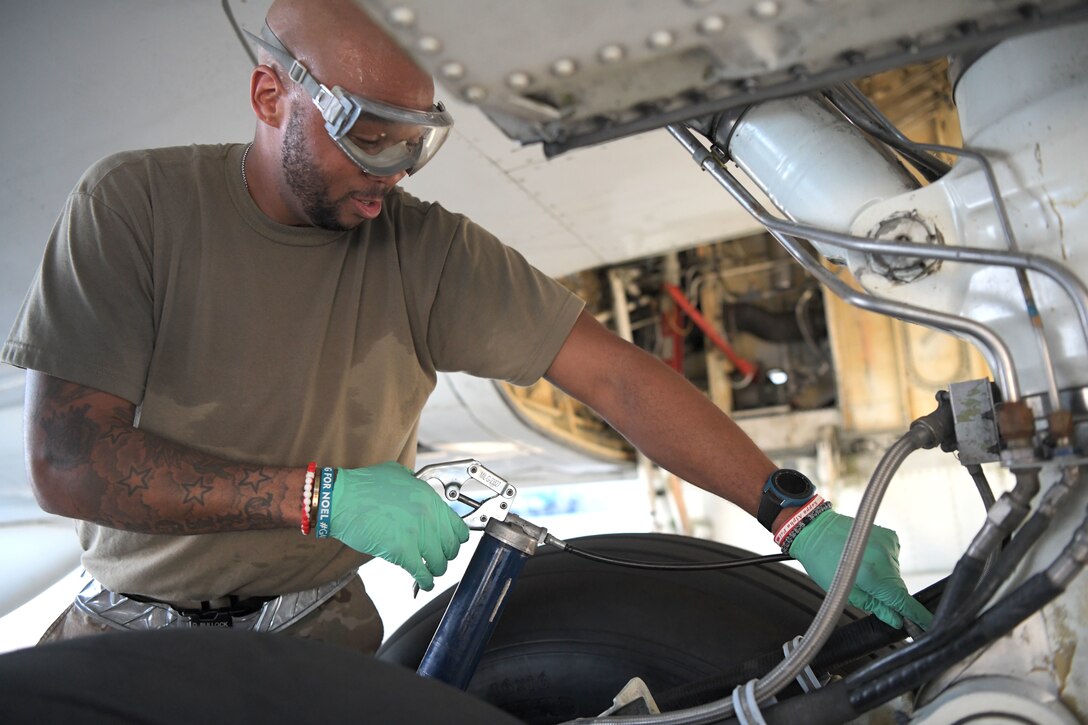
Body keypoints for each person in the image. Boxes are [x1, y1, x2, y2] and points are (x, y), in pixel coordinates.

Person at [1, 0, 931, 653]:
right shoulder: (135, 207)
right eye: (368, 133)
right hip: (127, 629)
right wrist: (317, 496)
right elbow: (70, 460)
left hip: (318, 630)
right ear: (270, 97)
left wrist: (793, 510)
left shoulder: (422, 249)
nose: (395, 170)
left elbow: (614, 377)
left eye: (417, 140)